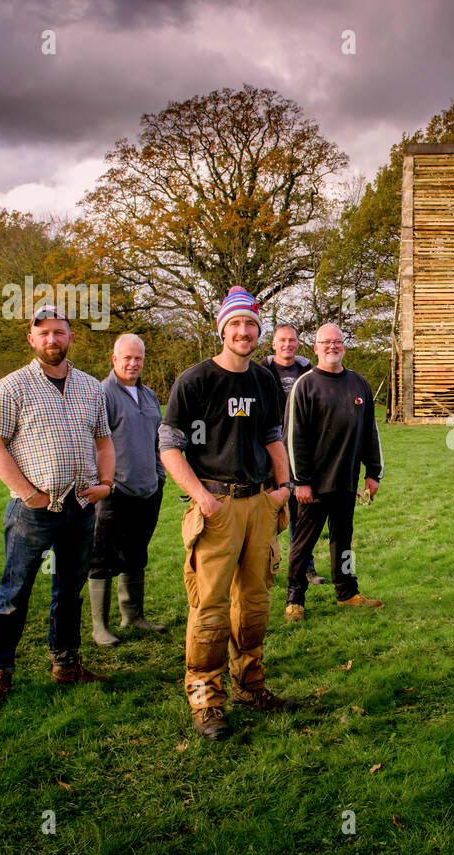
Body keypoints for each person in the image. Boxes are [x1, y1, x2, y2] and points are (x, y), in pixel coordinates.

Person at [158, 286, 294, 741]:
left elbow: (274, 435)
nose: (243, 331)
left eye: (251, 325)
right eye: (235, 324)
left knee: (254, 603)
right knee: (210, 609)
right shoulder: (194, 380)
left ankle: (250, 685)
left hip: (259, 504)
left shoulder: (264, 380)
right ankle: (206, 700)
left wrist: (284, 488)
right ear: (222, 329)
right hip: (216, 507)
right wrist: (202, 496)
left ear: (259, 331)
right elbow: (169, 445)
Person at [0, 304, 115, 711]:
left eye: (60, 332)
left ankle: (66, 662)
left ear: (71, 337)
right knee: (14, 593)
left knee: (69, 591)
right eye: (44, 333)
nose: (52, 339)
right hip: (34, 512)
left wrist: (105, 484)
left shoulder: (91, 387)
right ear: (32, 340)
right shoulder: (12, 386)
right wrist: (28, 493)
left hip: (80, 506)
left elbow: (104, 441)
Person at [284, 323, 383, 622]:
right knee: (303, 543)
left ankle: (347, 592)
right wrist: (300, 481)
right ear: (315, 348)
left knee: (344, 540)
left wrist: (373, 473)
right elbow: (293, 437)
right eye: (325, 342)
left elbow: (370, 432)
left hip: (346, 481)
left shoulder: (359, 384)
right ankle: (295, 598)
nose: (332, 346)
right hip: (312, 486)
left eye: (337, 341)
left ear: (344, 346)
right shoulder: (305, 385)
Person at [89, 333, 167, 646]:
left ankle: (133, 615)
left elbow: (158, 441)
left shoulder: (148, 395)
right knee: (103, 557)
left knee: (136, 554)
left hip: (148, 490)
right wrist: (103, 484)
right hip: (114, 491)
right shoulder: (102, 393)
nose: (133, 364)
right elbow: (93, 442)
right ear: (114, 359)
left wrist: (159, 476)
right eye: (127, 358)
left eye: (139, 359)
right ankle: (100, 626)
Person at [263, 323, 324, 587]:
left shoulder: (308, 372)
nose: (287, 345)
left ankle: (305, 568)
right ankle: (264, 565)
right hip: (268, 450)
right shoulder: (260, 372)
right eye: (282, 340)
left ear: (297, 343)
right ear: (274, 344)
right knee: (265, 513)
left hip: (300, 450)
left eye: (292, 340)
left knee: (301, 512)